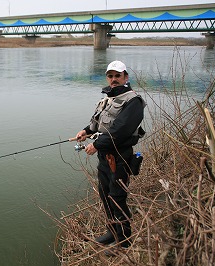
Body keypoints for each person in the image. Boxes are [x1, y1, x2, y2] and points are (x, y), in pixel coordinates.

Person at [75, 60, 145, 251]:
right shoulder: (108, 98)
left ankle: (124, 240)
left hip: (120, 158)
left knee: (117, 197)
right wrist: (85, 132)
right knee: (105, 196)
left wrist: (96, 144)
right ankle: (112, 232)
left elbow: (120, 131)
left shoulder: (134, 102)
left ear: (126, 77)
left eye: (117, 76)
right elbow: (96, 125)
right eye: (110, 76)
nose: (113, 80)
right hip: (104, 159)